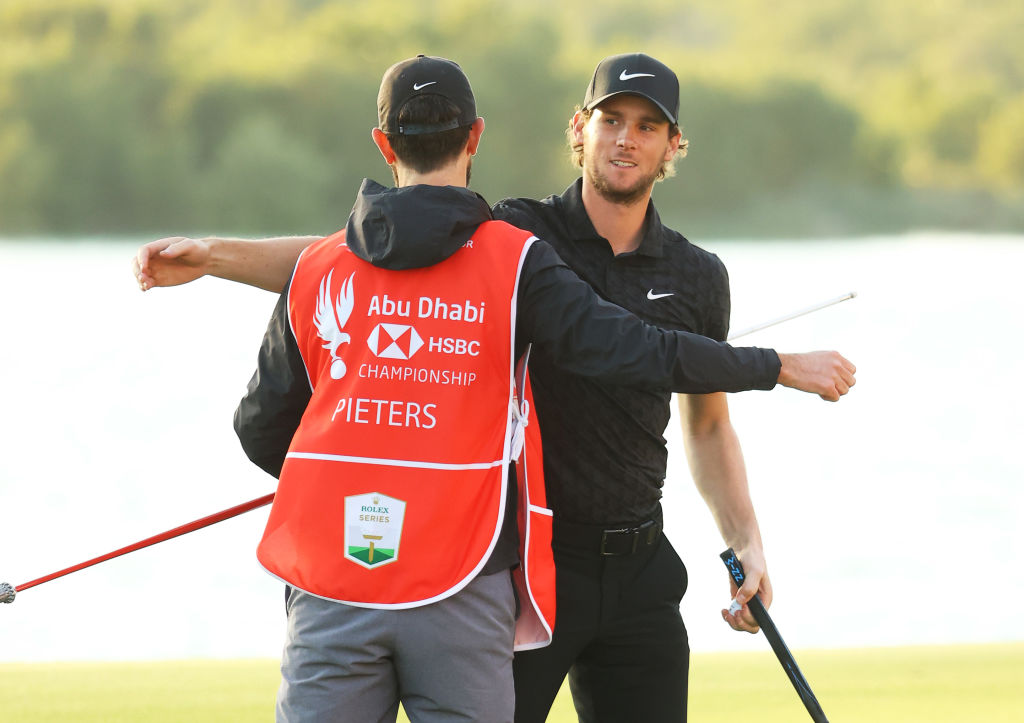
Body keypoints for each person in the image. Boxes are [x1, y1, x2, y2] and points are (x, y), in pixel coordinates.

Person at [134, 53, 857, 722]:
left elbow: (705, 425)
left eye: (647, 126)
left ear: (674, 145)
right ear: (580, 129)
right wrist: (216, 256)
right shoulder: (514, 235)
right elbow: (359, 252)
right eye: (611, 120)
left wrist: (746, 543)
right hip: (525, 561)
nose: (626, 140)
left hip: (640, 567)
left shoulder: (699, 276)